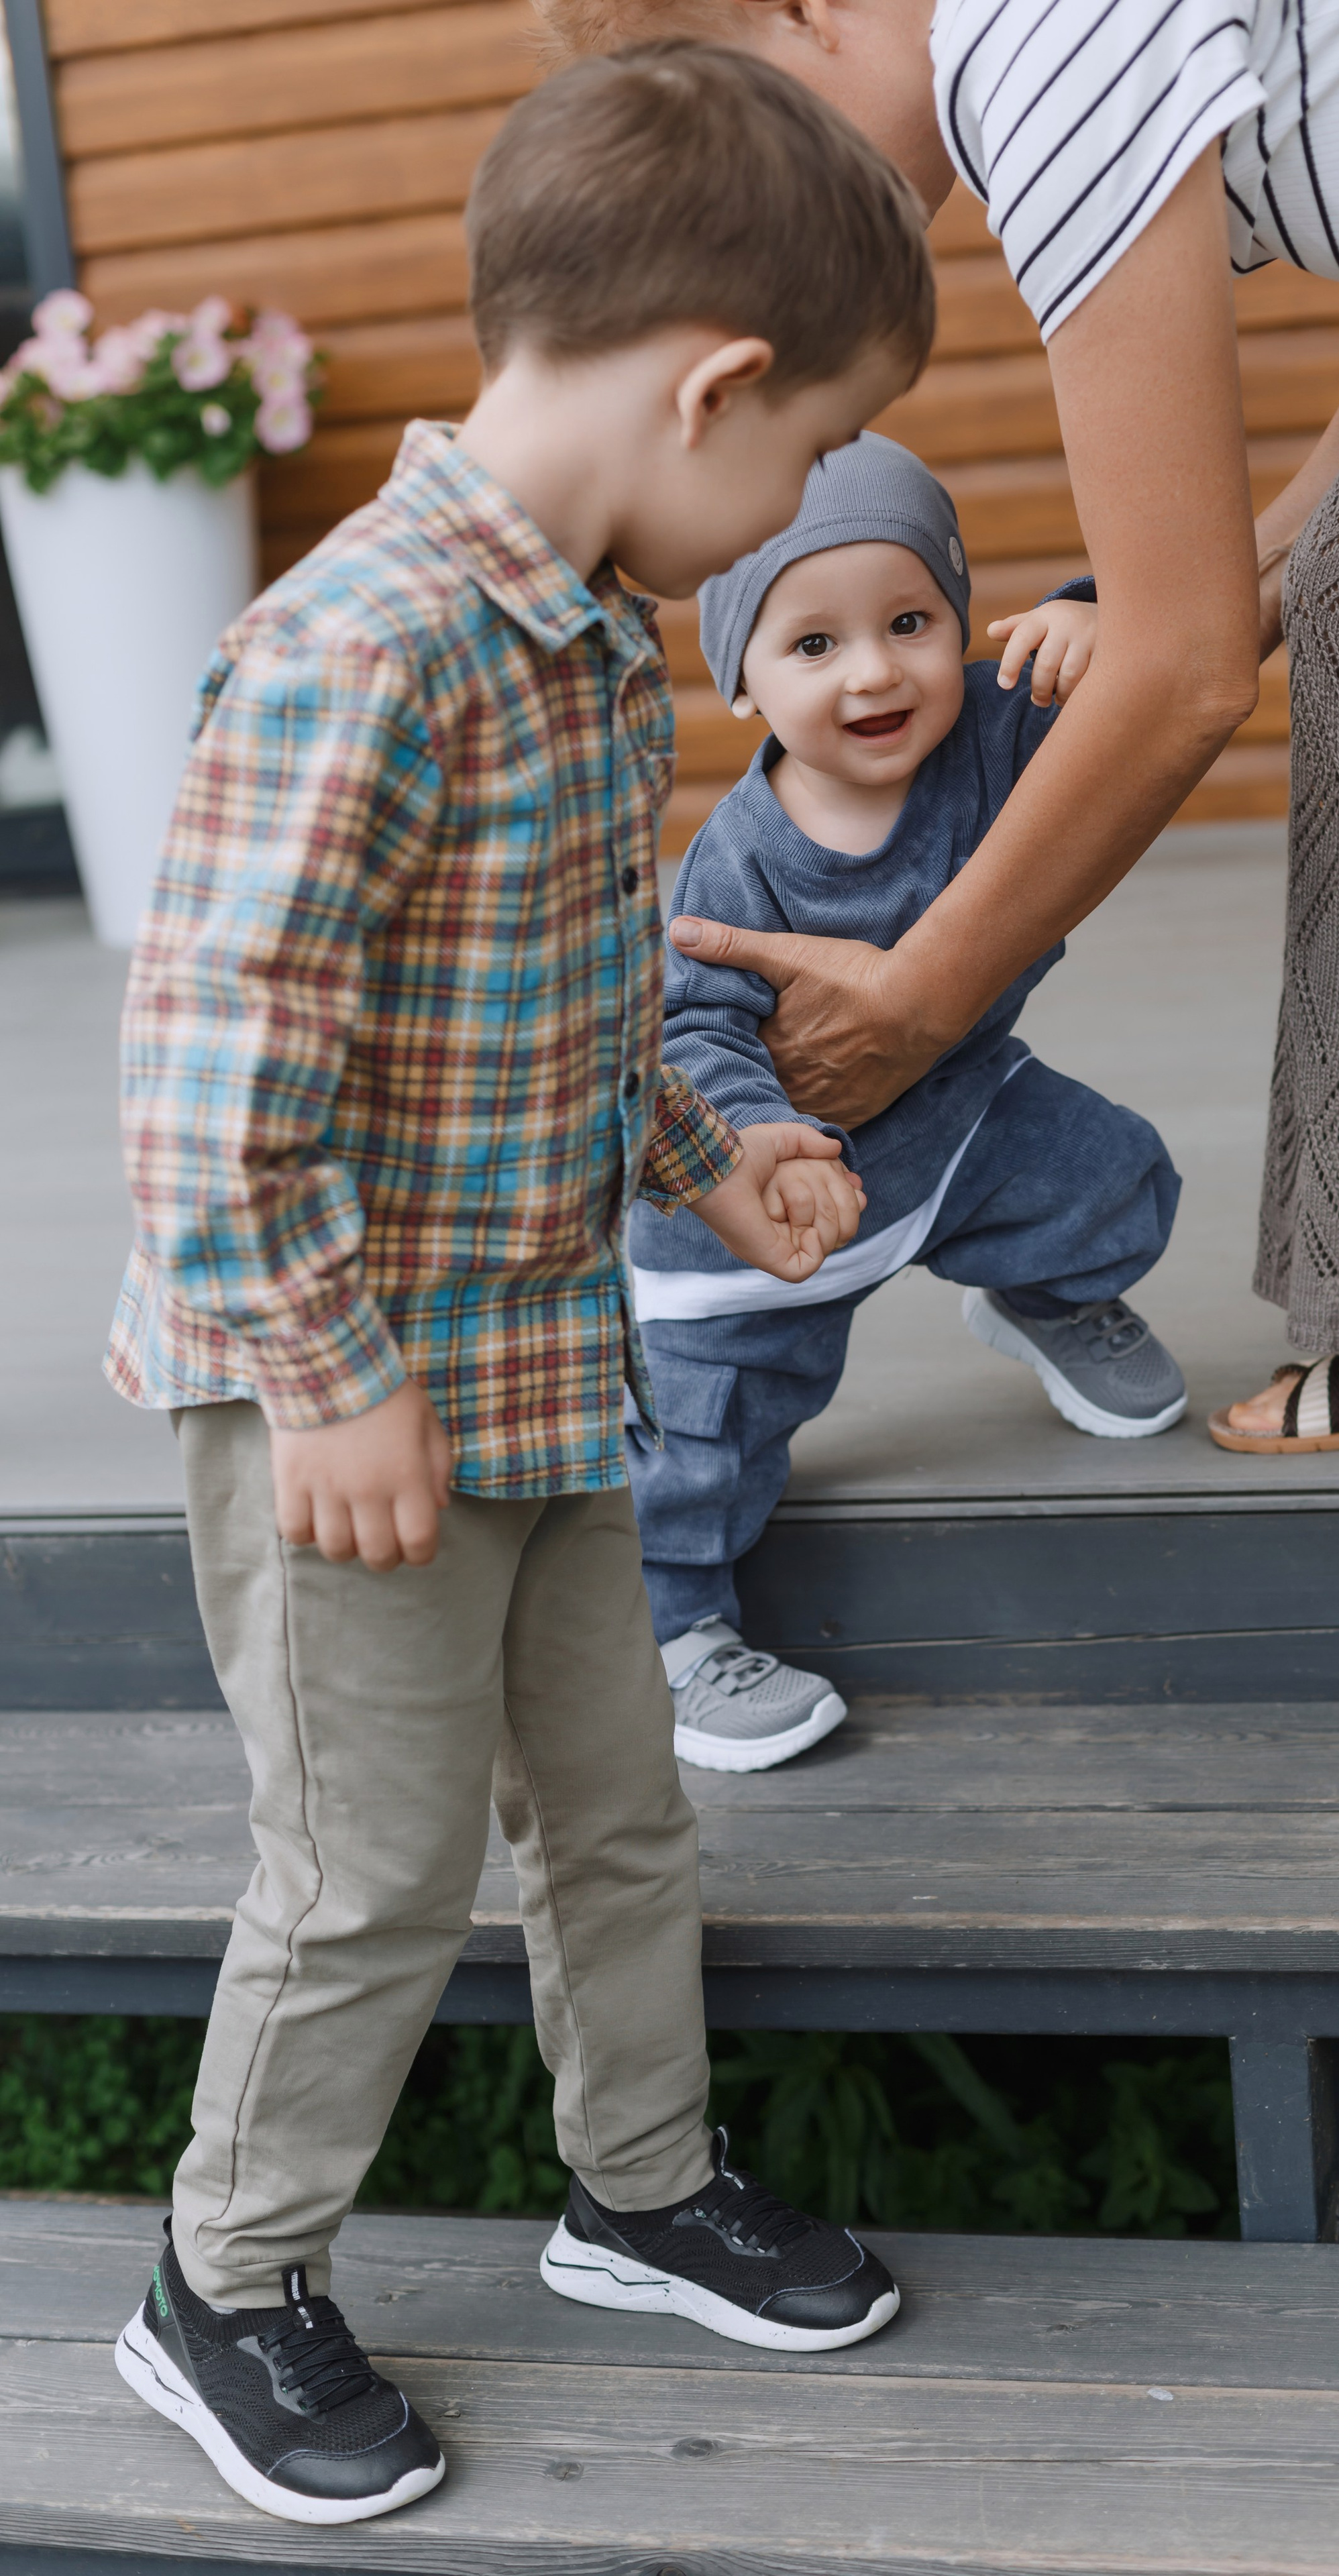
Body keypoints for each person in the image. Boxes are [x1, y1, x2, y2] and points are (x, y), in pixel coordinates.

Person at [546, 0, 1339, 1853]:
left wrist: (926, 996)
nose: (762, 218)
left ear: (806, 11)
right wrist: (1260, 583)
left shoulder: (1037, 44)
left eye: (750, 130)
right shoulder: (1054, 56)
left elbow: (1162, 684)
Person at [99, 47, 930, 2528]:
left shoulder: (573, 633)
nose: (783, 527)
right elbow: (210, 1072)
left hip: (547, 1374)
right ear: (712, 384)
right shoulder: (361, 650)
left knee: (617, 1819)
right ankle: (221, 2284)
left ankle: (640, 2189)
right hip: (345, 1408)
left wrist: (719, 1142)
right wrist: (328, 1376)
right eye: (800, 469)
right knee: (370, 1872)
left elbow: (559, 991)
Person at [628, 433, 1183, 1769]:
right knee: (703, 1452)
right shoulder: (736, 863)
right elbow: (690, 1025)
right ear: (743, 680)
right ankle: (678, 1639)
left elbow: (1138, 683)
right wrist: (754, 1136)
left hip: (954, 1119)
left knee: (1109, 1175)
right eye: (811, 646)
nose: (874, 670)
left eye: (907, 621)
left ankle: (1036, 1295)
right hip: (765, 1211)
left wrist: (1092, 620)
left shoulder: (991, 731)